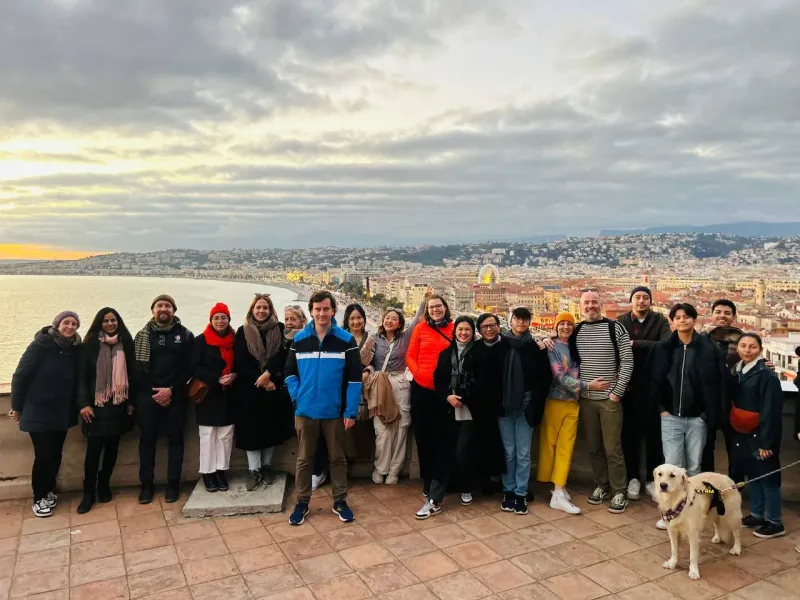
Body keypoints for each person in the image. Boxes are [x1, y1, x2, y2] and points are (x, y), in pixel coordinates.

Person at [285, 290, 362, 526]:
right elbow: (289, 373)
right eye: (317, 309)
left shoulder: (345, 340)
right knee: (304, 459)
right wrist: (297, 396)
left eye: (326, 309)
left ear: (333, 311)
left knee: (337, 458)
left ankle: (340, 501)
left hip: (334, 412)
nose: (321, 313)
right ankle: (302, 502)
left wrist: (350, 411)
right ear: (311, 311)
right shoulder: (299, 340)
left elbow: (355, 379)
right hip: (305, 411)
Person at [649, 303, 722, 528]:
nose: (682, 320)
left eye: (686, 317)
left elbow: (715, 384)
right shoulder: (664, 349)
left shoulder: (708, 349)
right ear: (672, 322)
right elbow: (654, 380)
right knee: (671, 467)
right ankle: (669, 513)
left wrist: (704, 414)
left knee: (694, 467)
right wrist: (661, 409)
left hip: (696, 417)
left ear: (694, 320)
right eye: (678, 317)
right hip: (670, 416)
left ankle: (692, 511)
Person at [10, 311, 82, 518]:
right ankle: (38, 497)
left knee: (56, 454)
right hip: (39, 410)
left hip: (61, 411)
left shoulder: (74, 349)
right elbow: (20, 375)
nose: (70, 327)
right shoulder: (41, 346)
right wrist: (17, 407)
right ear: (57, 324)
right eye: (66, 323)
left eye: (74, 324)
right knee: (43, 455)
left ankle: (48, 490)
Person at [570, 290, 634, 514]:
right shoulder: (576, 330)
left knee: (613, 449)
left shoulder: (614, 327)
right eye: (586, 302)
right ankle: (601, 485)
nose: (590, 306)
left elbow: (627, 361)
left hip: (609, 400)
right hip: (586, 399)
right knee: (594, 448)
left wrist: (616, 393)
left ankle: (619, 490)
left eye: (594, 302)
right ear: (580, 306)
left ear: (601, 304)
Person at [539, 312, 608, 515]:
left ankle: (559, 489)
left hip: (572, 403)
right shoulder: (553, 347)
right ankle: (557, 489)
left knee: (565, 447)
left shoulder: (575, 346)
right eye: (562, 324)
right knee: (551, 446)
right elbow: (559, 377)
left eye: (569, 324)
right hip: (555, 402)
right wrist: (589, 386)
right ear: (556, 326)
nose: (566, 327)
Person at [416, 316, 483, 518]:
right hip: (448, 409)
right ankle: (434, 499)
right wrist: (448, 396)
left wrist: (465, 397)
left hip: (471, 410)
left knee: (463, 452)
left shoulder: (480, 353)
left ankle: (466, 486)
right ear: (455, 332)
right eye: (460, 329)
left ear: (473, 333)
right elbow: (438, 379)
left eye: (467, 330)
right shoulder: (446, 354)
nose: (463, 333)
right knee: (444, 453)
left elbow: (484, 381)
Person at [134, 294, 194, 505]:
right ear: (153, 310)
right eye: (159, 305)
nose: (163, 309)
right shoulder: (142, 336)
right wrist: (155, 393)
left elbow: (189, 368)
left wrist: (170, 390)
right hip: (148, 398)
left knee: (175, 441)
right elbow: (137, 370)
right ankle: (146, 485)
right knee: (147, 441)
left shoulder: (185, 335)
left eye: (168, 305)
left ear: (174, 311)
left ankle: (173, 484)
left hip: (176, 397)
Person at [76, 308, 137, 514]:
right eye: (106, 321)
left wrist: (130, 401)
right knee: (93, 452)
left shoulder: (126, 344)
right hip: (96, 406)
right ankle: (88, 493)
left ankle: (104, 486)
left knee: (112, 449)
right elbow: (82, 377)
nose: (110, 324)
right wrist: (84, 404)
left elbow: (134, 375)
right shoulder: (90, 346)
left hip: (118, 405)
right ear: (99, 323)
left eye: (113, 320)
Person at [365, 293, 428, 485]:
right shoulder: (374, 338)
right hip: (380, 384)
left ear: (400, 323)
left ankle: (394, 470)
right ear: (382, 321)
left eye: (394, 318)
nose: (390, 320)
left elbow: (418, 318)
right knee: (382, 430)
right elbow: (364, 360)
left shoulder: (405, 337)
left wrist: (424, 299)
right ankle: (380, 467)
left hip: (400, 383)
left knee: (401, 428)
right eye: (387, 318)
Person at [234, 294, 294, 491]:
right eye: (258, 307)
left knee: (271, 430)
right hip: (250, 389)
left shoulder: (280, 329)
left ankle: (267, 466)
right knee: (252, 432)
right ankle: (254, 470)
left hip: (273, 387)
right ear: (252, 309)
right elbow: (240, 361)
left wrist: (269, 376)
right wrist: (260, 379)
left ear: (271, 310)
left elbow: (283, 356)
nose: (261, 311)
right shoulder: (242, 332)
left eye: (265, 308)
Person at [496, 307, 552, 515]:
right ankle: (508, 490)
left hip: (526, 406)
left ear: (530, 322)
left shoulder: (536, 348)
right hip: (504, 407)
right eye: (517, 319)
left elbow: (544, 380)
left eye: (525, 319)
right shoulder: (500, 346)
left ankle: (520, 492)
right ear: (511, 321)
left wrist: (534, 402)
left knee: (523, 453)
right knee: (509, 452)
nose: (521, 322)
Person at [617, 286, 670, 502]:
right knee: (628, 436)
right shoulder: (621, 320)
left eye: (645, 298)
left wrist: (634, 344)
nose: (641, 301)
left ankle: (650, 480)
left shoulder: (660, 321)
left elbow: (665, 346)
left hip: (653, 387)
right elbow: (617, 347)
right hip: (628, 387)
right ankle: (632, 478)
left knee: (654, 438)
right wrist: (647, 346)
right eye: (637, 297)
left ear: (650, 301)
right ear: (631, 301)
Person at [732, 333, 785, 539]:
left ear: (760, 350)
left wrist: (766, 442)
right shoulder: (737, 370)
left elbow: (771, 411)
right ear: (737, 348)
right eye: (743, 346)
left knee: (769, 478)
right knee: (753, 475)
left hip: (761, 435)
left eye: (752, 347)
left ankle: (774, 521)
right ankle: (757, 514)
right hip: (745, 432)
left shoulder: (766, 376)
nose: (747, 350)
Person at [406, 294, 455, 497]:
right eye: (432, 307)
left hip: (446, 391)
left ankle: (443, 479)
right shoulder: (420, 328)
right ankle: (428, 480)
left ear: (445, 307)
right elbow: (409, 355)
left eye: (439, 306)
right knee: (424, 437)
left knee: (445, 438)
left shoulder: (454, 328)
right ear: (427, 310)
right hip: (422, 389)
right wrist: (418, 373)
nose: (435, 309)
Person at [190, 303, 237, 493]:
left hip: (229, 394)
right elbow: (193, 367)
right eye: (216, 317)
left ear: (228, 320)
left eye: (223, 317)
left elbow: (240, 361)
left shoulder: (235, 340)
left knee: (225, 436)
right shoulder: (200, 341)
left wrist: (234, 375)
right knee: (208, 435)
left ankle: (221, 471)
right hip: (208, 394)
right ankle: (208, 473)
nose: (220, 321)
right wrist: (215, 379)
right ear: (211, 320)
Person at [700, 299, 744, 484]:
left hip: (733, 402)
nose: (722, 316)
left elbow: (751, 362)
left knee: (735, 450)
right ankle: (707, 489)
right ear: (712, 314)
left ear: (733, 317)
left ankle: (734, 488)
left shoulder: (744, 340)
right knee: (705, 449)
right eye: (718, 312)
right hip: (707, 402)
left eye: (727, 313)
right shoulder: (702, 339)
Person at [286, 304, 329, 490]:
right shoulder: (282, 338)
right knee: (304, 438)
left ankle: (318, 471)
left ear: (303, 320)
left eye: (293, 319)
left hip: (311, 397)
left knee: (316, 437)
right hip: (296, 396)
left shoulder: (307, 339)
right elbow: (288, 369)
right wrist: (296, 394)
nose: (289, 322)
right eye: (286, 319)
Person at [473, 313, 507, 495]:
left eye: (492, 325)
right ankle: (487, 480)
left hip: (504, 403)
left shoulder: (508, 345)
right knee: (485, 443)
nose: (489, 329)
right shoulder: (475, 348)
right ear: (479, 330)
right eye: (485, 327)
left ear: (498, 326)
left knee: (504, 444)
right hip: (481, 405)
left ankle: (502, 481)